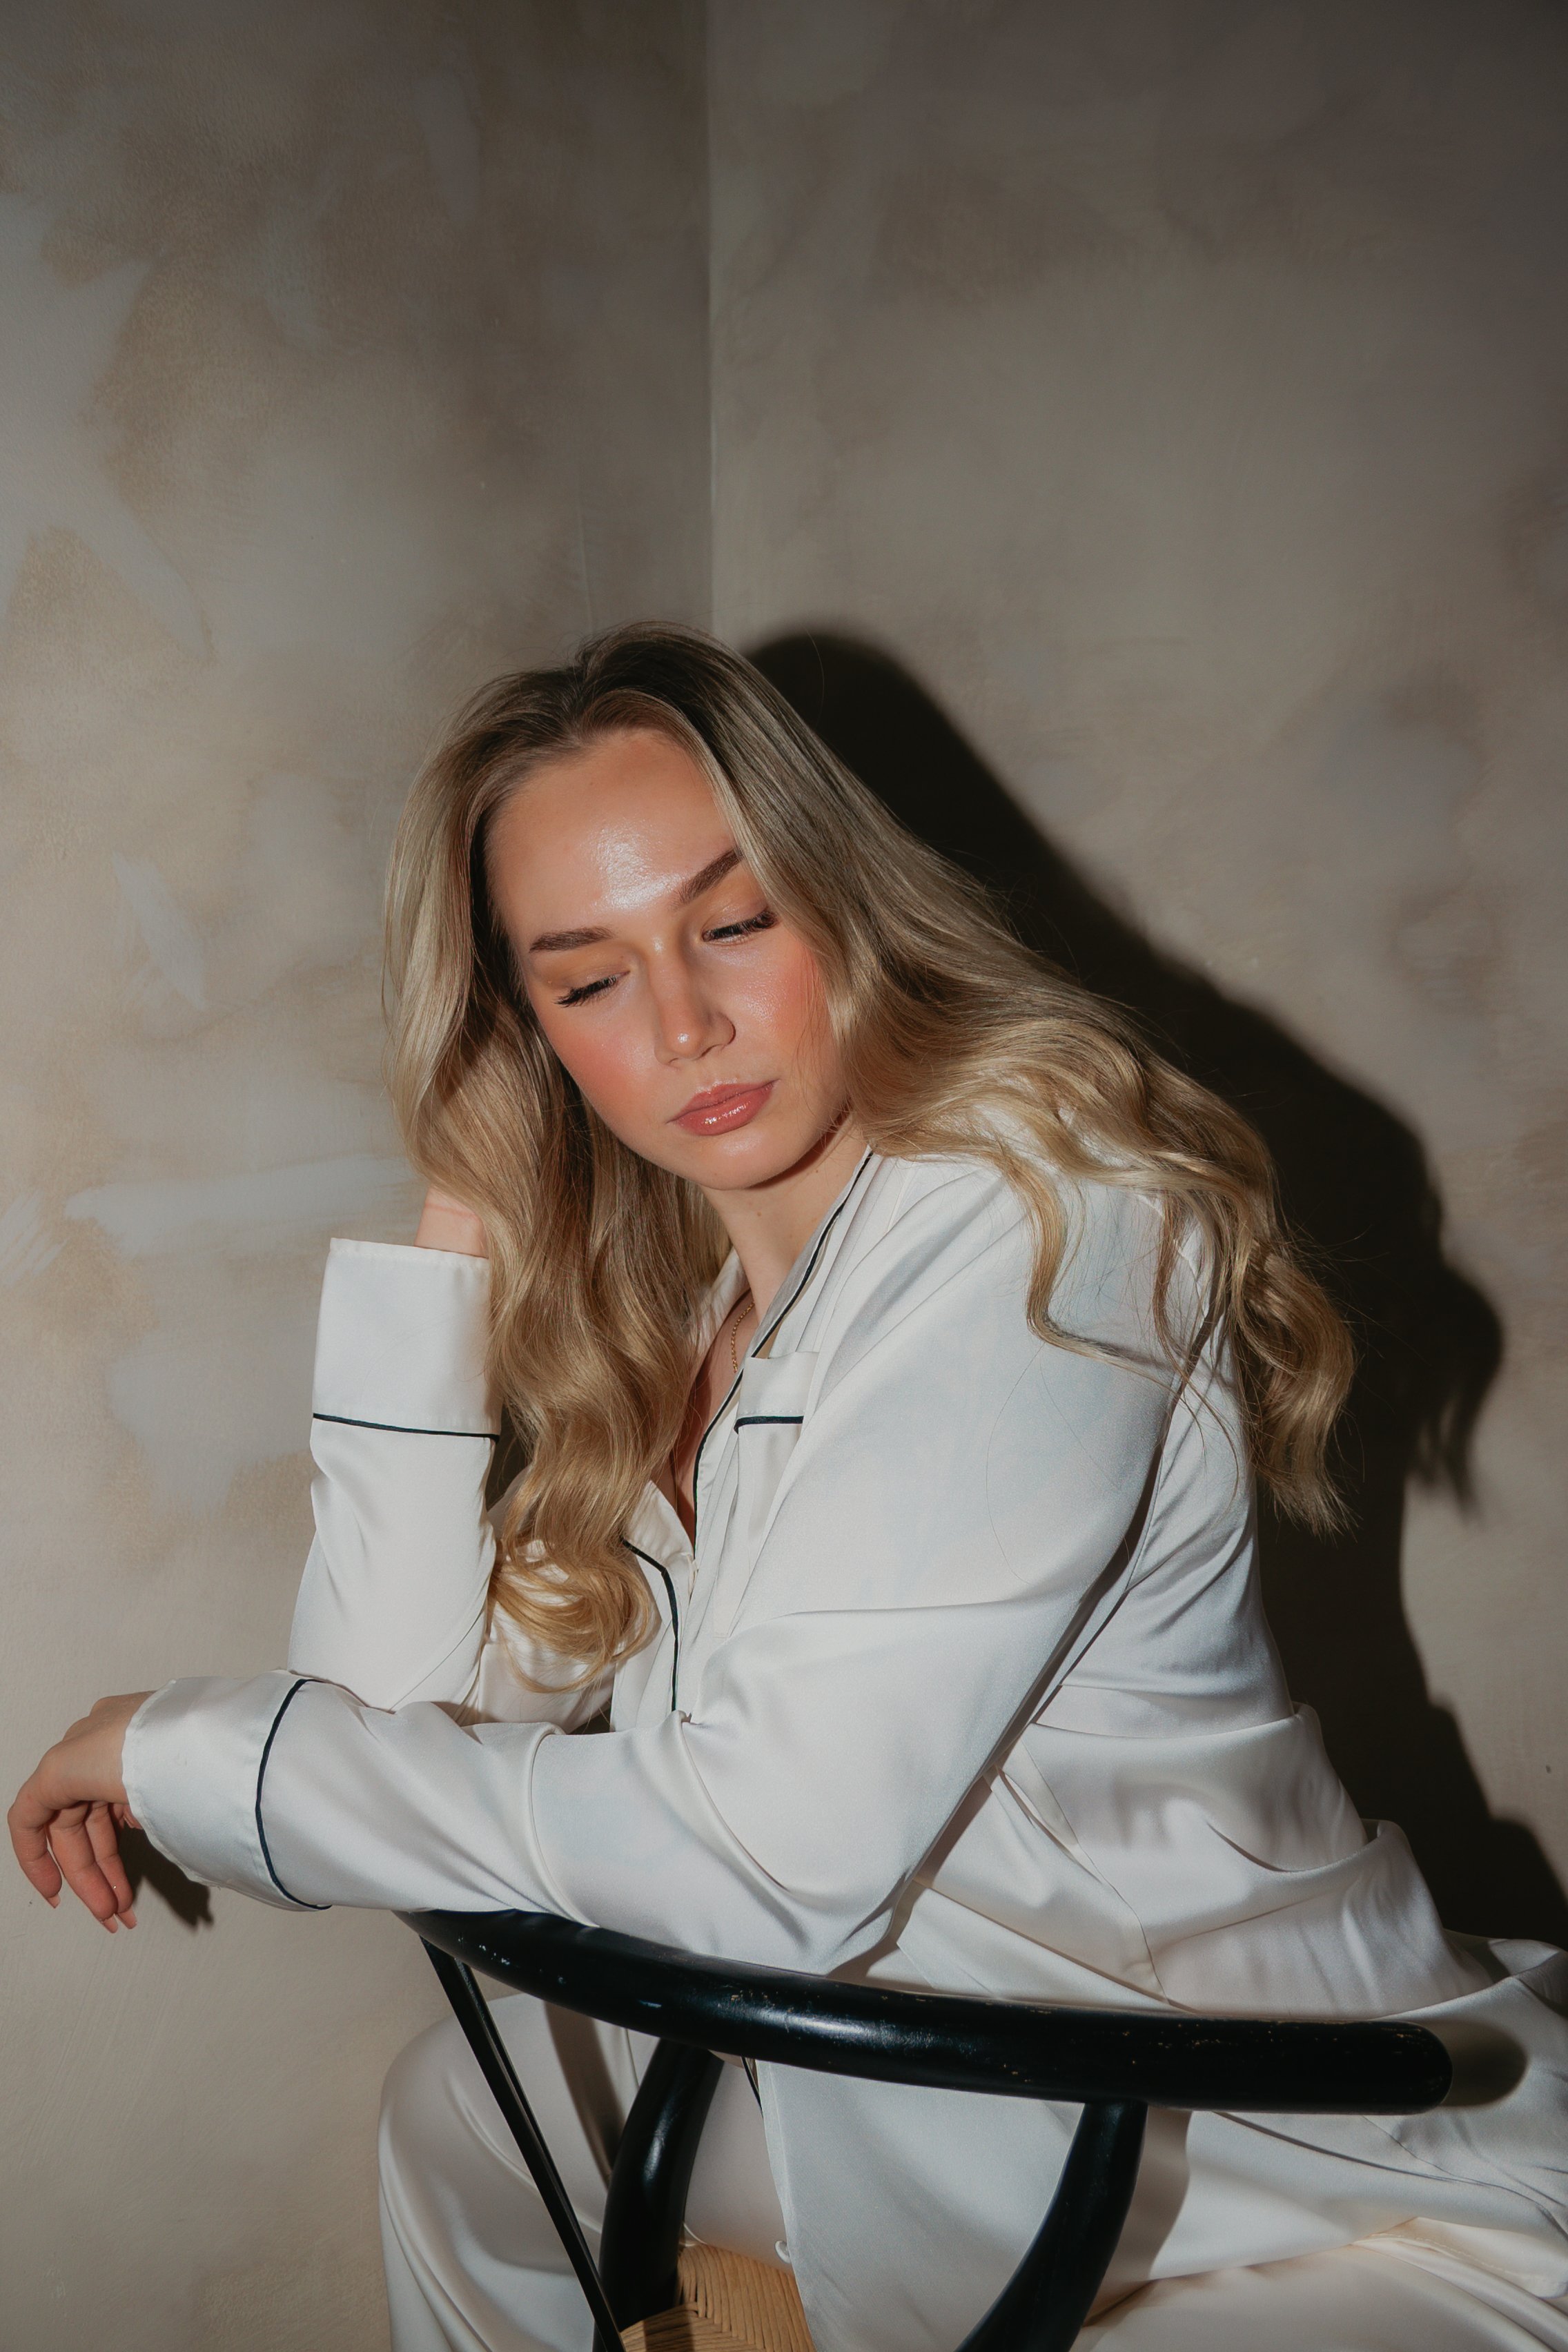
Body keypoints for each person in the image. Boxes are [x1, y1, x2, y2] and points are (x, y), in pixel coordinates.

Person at [10, 626, 1568, 2352]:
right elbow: (387, 1716)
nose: (681, 1022)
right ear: (524, 1031)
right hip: (977, 2117)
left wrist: (188, 1748)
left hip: (1315, 2186)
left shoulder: (1048, 1224)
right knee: (465, 2126)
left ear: (847, 902)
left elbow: (773, 1855)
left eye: (733, 920)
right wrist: (452, 1221)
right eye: (585, 979)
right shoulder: (690, 1322)